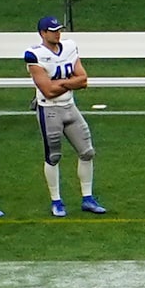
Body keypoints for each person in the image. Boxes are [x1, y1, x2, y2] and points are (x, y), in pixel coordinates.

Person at [23, 17, 104, 217]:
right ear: (43, 33)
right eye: (53, 30)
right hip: (49, 110)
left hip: (70, 106)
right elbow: (48, 91)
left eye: (59, 30)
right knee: (53, 156)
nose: (57, 33)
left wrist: (62, 83)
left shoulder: (69, 47)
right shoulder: (35, 55)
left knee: (87, 152)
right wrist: (70, 82)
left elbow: (83, 79)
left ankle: (87, 198)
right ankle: (56, 200)